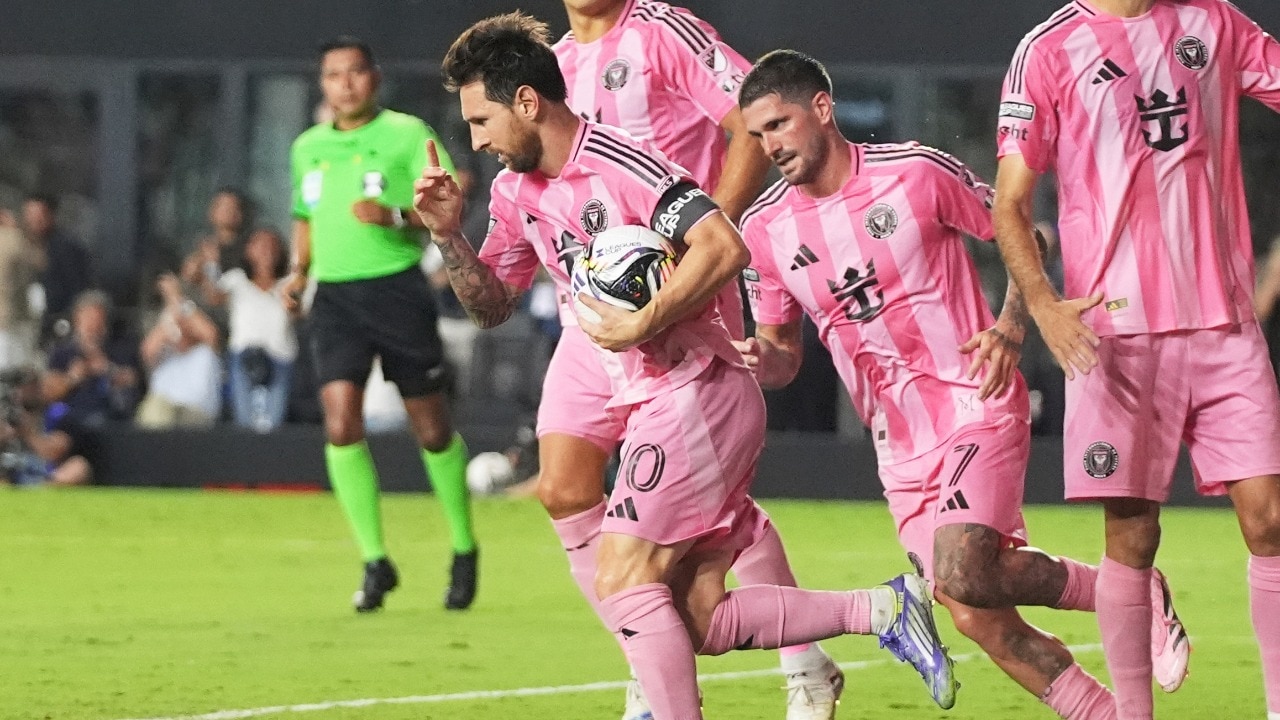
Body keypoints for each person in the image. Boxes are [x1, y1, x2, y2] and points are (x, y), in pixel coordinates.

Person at [421, 14, 959, 720]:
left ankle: (657, 687)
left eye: (481, 120)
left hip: (692, 387)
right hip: (617, 367)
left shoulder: (627, 163)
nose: (476, 141)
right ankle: (883, 608)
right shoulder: (515, 194)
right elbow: (490, 305)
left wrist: (647, 317)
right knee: (695, 618)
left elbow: (725, 247)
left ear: (527, 103)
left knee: (625, 574)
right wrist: (446, 234)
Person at [735, 49, 1194, 719]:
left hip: (972, 397)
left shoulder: (915, 173)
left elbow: (1025, 236)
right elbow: (782, 355)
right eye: (757, 135)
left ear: (823, 110)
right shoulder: (763, 231)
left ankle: (1131, 588)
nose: (769, 146)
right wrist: (757, 361)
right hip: (899, 445)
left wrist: (1010, 328)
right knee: (976, 615)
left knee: (962, 568)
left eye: (778, 124)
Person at [992, 2, 1280, 717]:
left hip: (1223, 321)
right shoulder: (1050, 48)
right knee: (1131, 533)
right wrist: (1044, 303)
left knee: (1271, 516)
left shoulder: (1213, 21)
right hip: (1117, 334)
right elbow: (1011, 201)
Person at [551, 4, 840, 717]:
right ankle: (649, 654)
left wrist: (708, 229)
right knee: (564, 485)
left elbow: (744, 120)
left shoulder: (661, 31)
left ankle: (800, 664)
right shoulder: (552, 65)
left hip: (688, 295)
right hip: (592, 313)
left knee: (713, 504)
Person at [281, 36, 478, 612]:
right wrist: (299, 274)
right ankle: (375, 560)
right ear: (323, 85)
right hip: (336, 300)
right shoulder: (306, 147)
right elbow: (303, 217)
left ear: (374, 78)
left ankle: (464, 548)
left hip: (397, 293)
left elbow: (445, 204)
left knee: (433, 431)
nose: (344, 84)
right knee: (340, 424)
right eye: (333, 75)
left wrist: (394, 214)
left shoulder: (407, 133)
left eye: (354, 73)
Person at [208, 227, 297, 432]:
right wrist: (211, 265)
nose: (266, 250)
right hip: (244, 358)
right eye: (260, 245)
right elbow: (214, 297)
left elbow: (300, 310)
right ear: (248, 250)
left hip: (280, 358)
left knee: (273, 423)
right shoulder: (237, 280)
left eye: (271, 245)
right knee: (245, 423)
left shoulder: (288, 284)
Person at [136, 273, 222, 429]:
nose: (180, 327)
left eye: (185, 323)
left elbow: (211, 333)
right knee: (155, 409)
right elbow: (146, 350)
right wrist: (171, 313)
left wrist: (179, 299)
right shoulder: (163, 354)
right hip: (163, 416)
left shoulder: (205, 351)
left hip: (196, 415)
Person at [21, 193, 91, 342]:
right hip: (26, 323)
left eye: (38, 216)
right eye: (29, 216)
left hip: (57, 323)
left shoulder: (65, 248)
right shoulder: (23, 245)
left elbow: (77, 289)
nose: (33, 222)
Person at [0, 210, 42, 370]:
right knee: (12, 377)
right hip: (10, 323)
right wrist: (15, 228)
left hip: (8, 322)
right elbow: (39, 260)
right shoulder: (11, 238)